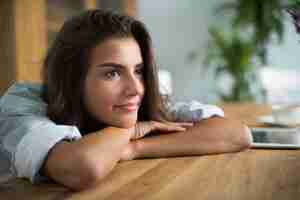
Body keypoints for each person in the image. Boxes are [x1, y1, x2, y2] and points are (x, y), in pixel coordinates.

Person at [0, 9, 252, 191]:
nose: (135, 89)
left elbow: (237, 134)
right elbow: (82, 167)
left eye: (139, 71)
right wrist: (129, 129)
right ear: (73, 79)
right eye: (112, 73)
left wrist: (132, 148)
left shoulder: (130, 102)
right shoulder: (22, 104)